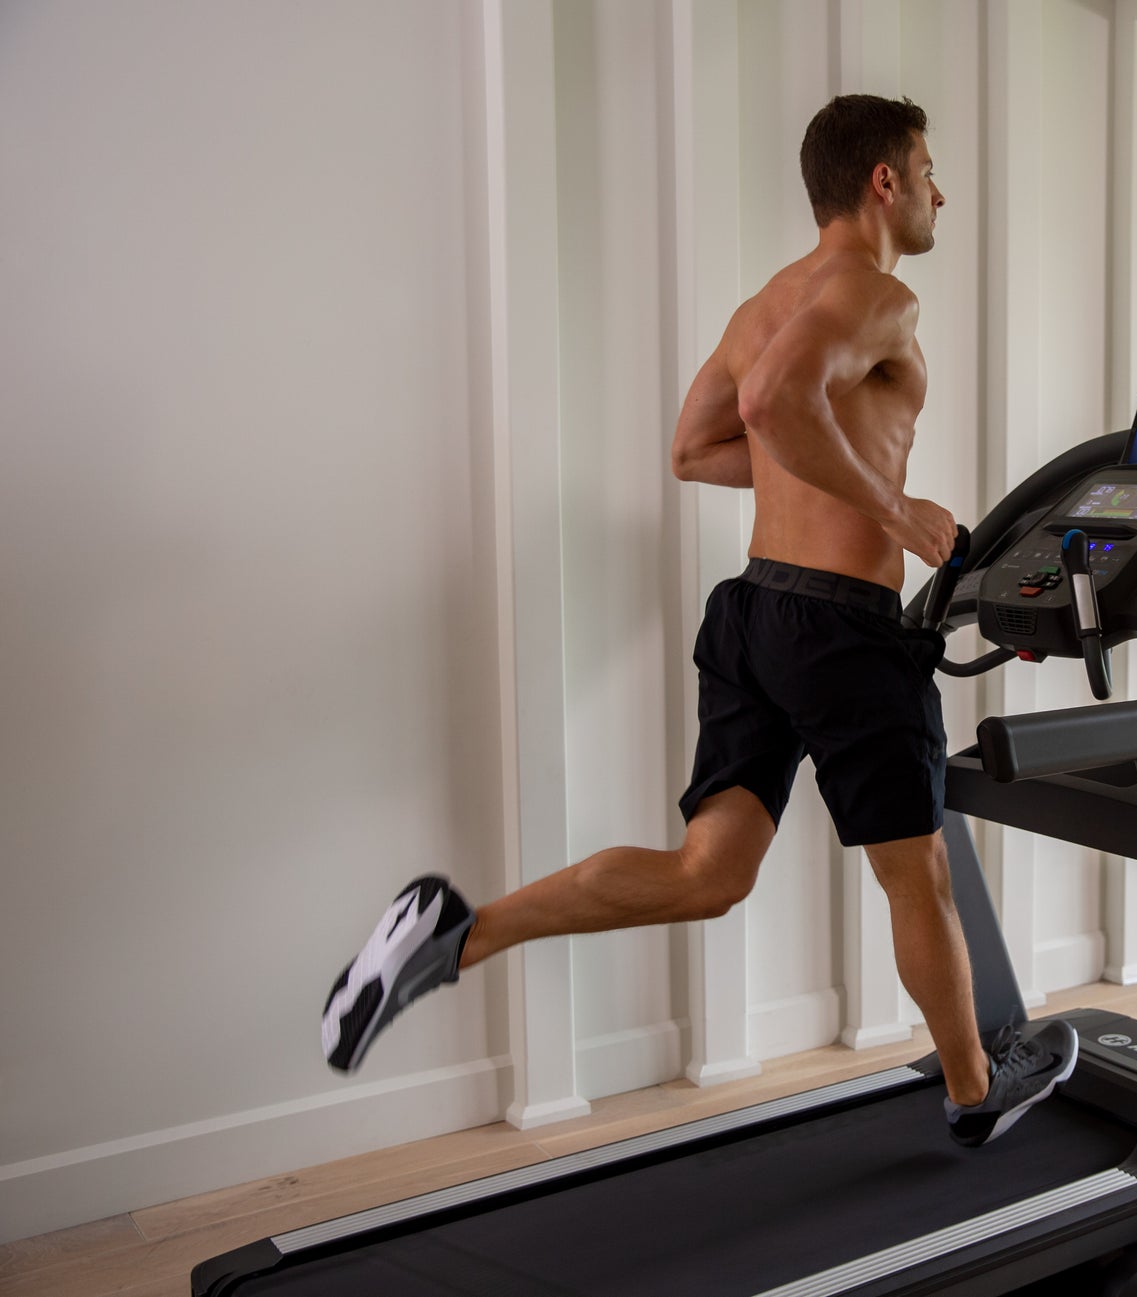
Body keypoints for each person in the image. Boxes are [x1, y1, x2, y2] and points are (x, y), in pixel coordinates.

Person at [320, 95, 1076, 1148]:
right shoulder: (877, 296)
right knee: (922, 874)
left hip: (753, 613)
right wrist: (900, 513)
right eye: (928, 169)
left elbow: (697, 447)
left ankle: (459, 933)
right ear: (882, 181)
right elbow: (769, 408)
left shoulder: (762, 302)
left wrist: (811, 476)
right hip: (845, 632)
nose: (941, 191)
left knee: (705, 874)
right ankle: (973, 1090)